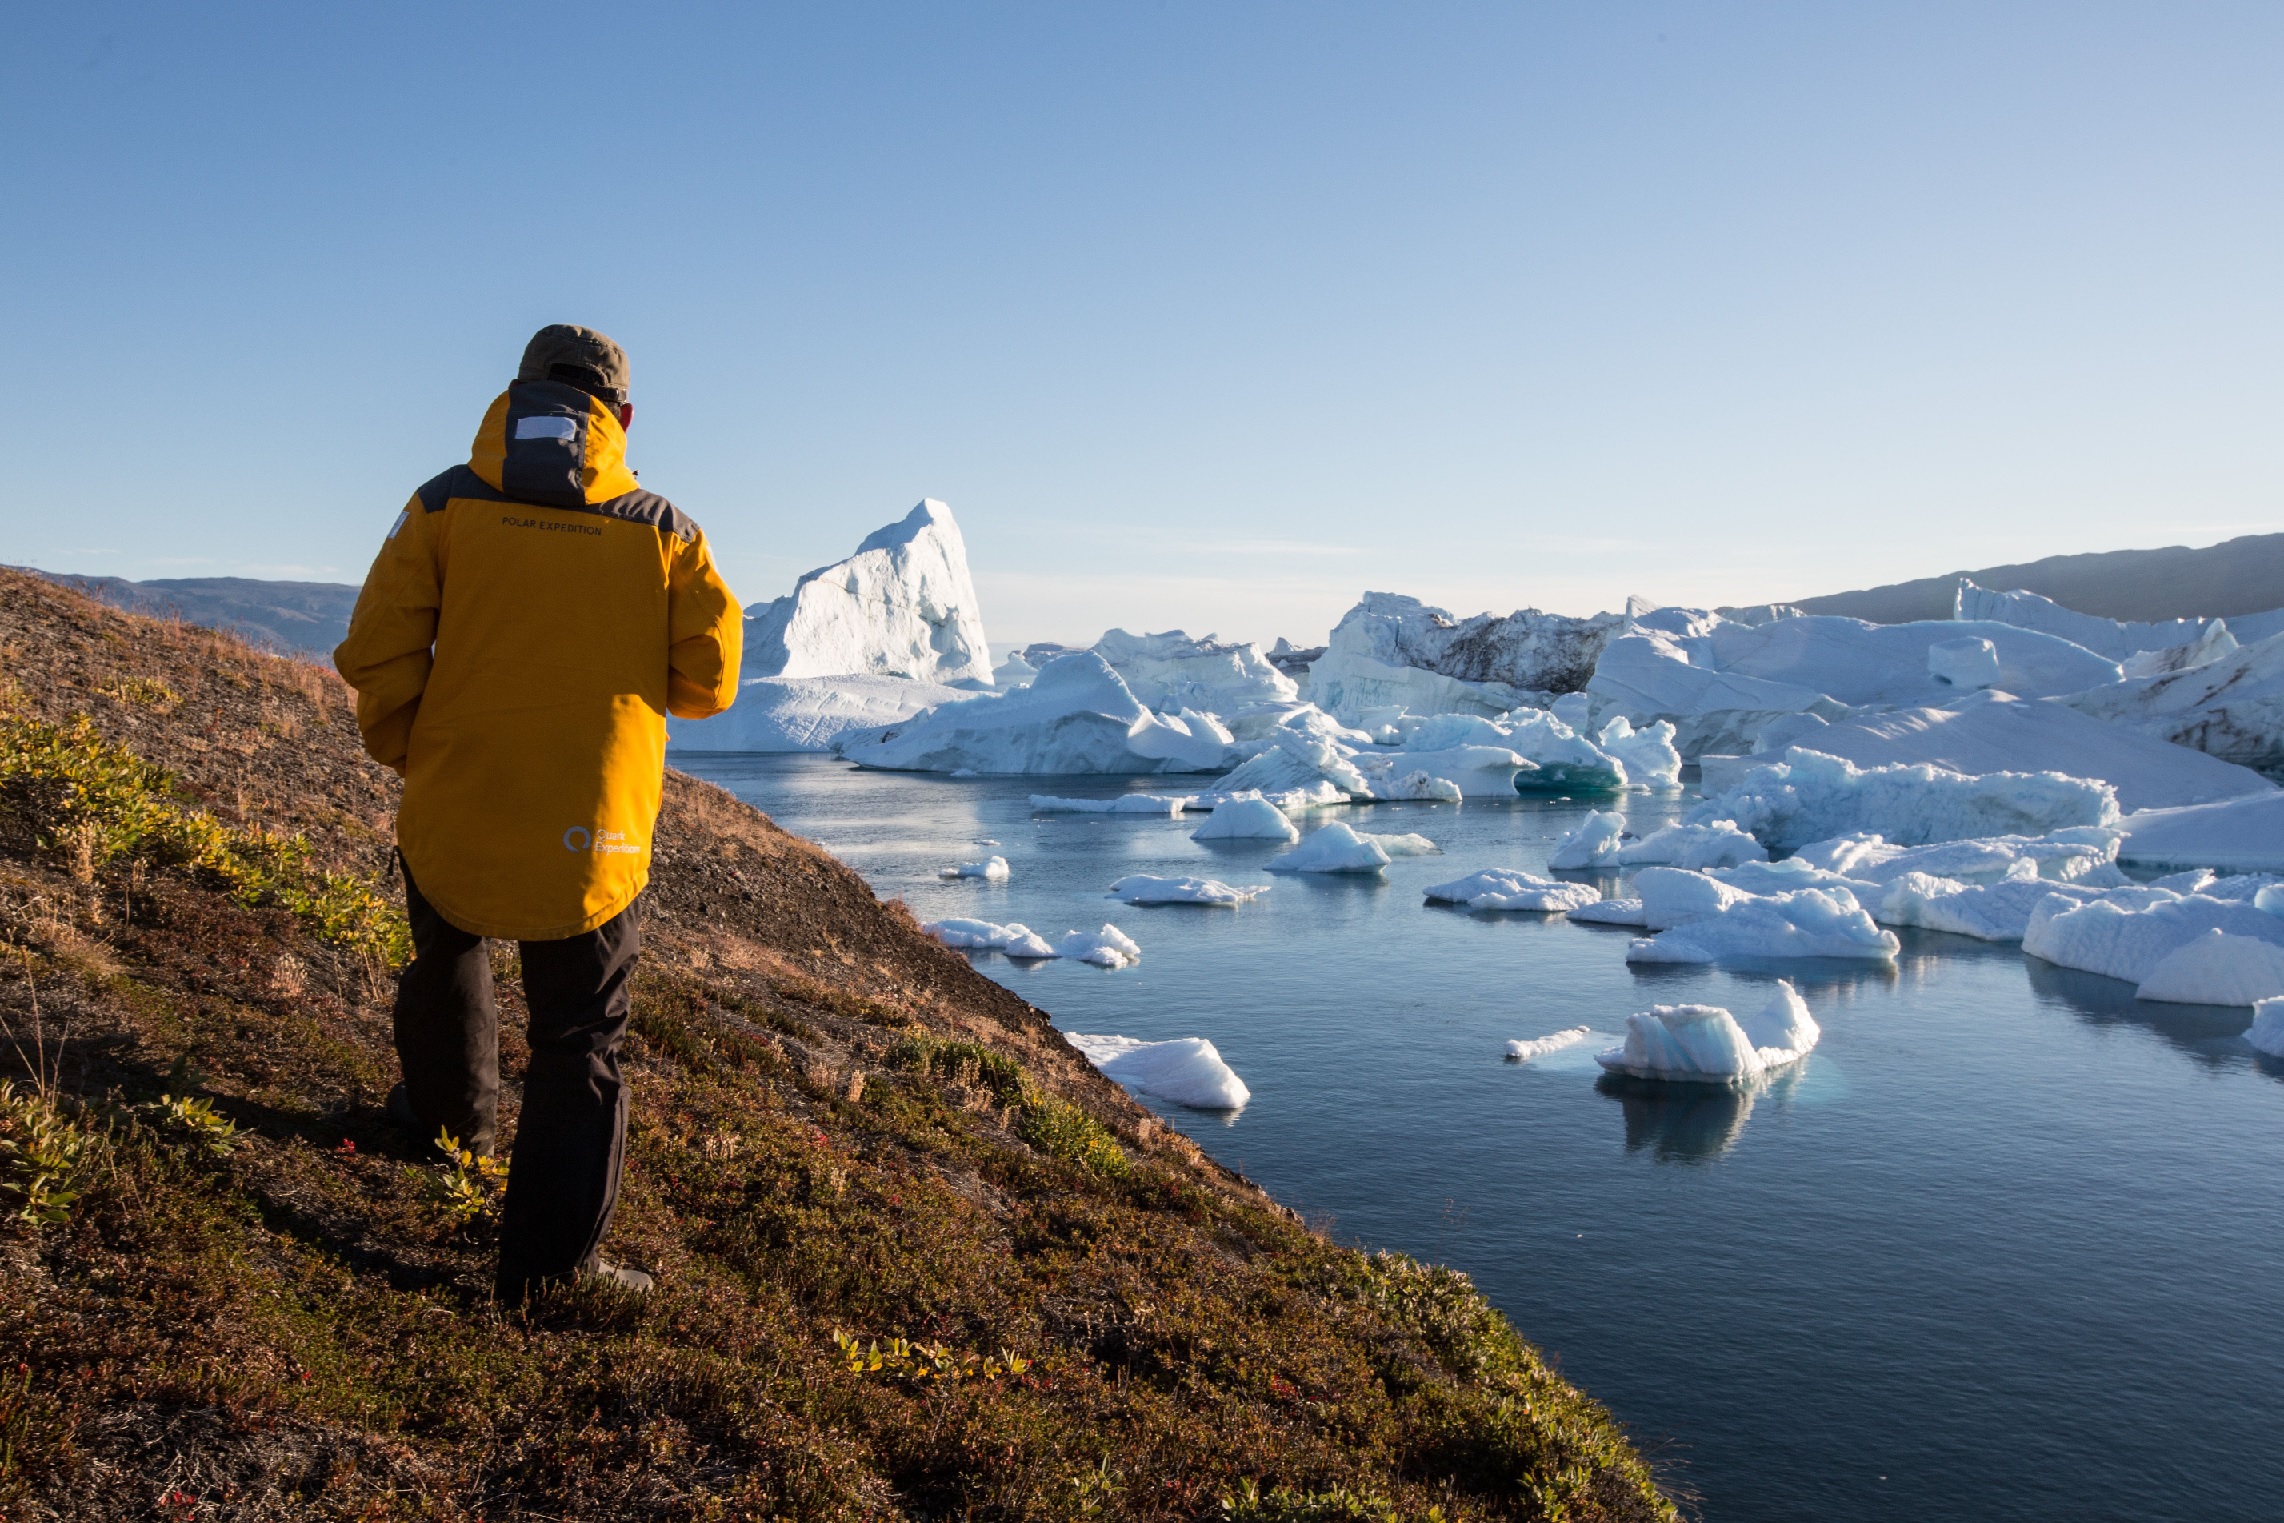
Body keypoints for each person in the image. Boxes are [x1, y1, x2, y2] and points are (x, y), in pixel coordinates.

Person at [335, 324, 741, 1300]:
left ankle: (446, 1133)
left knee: (447, 959)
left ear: (517, 394)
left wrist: (411, 750)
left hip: (457, 795)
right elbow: (711, 678)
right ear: (623, 416)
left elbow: (378, 652)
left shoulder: (441, 503)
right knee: (580, 1037)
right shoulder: (667, 531)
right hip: (592, 831)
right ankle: (549, 1269)